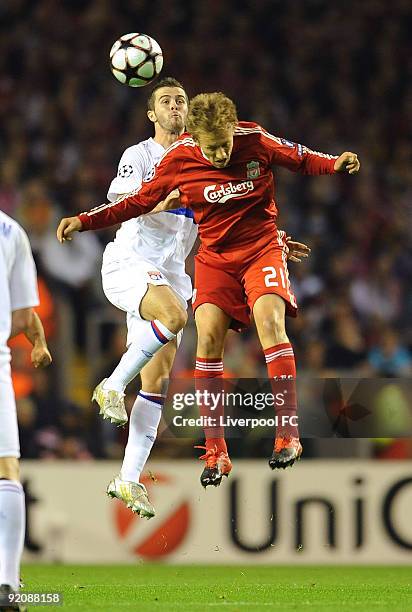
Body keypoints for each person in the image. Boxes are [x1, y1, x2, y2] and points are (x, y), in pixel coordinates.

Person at [57, 92, 359, 487]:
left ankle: (288, 435)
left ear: (234, 131)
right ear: (195, 138)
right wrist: (84, 219)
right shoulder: (180, 158)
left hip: (261, 249)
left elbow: (300, 157)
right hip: (214, 259)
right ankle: (216, 453)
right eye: (211, 147)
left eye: (224, 145)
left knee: (270, 321)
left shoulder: (255, 139)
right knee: (207, 341)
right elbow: (136, 202)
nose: (219, 155)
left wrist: (334, 163)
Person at [0, 210, 52, 610]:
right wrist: (36, 341)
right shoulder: (11, 231)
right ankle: (7, 583)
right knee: (6, 469)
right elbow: (21, 313)